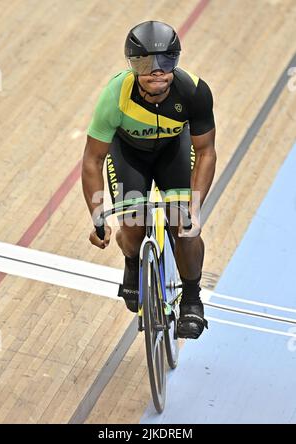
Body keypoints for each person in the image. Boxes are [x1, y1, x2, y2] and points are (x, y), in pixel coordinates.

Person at [82, 20, 216, 339]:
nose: (157, 70)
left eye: (166, 61)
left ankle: (193, 299)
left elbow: (207, 152)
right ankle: (132, 261)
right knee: (133, 221)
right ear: (131, 66)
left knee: (184, 226)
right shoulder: (115, 96)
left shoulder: (194, 91)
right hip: (130, 154)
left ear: (177, 61)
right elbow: (92, 160)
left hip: (175, 152)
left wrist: (194, 211)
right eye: (145, 63)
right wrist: (98, 217)